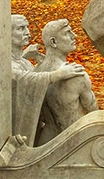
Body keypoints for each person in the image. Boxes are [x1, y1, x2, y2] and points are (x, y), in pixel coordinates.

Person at [10, 14, 85, 146]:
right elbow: (24, 79)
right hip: (16, 129)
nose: (27, 32)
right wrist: (57, 74)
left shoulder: (23, 61)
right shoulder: (5, 62)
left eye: (27, 27)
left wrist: (26, 56)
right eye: (21, 28)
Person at [34, 19, 98, 144]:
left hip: (45, 142)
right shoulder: (77, 75)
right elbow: (94, 113)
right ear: (53, 42)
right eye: (67, 33)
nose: (74, 35)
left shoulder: (36, 72)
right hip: (74, 142)